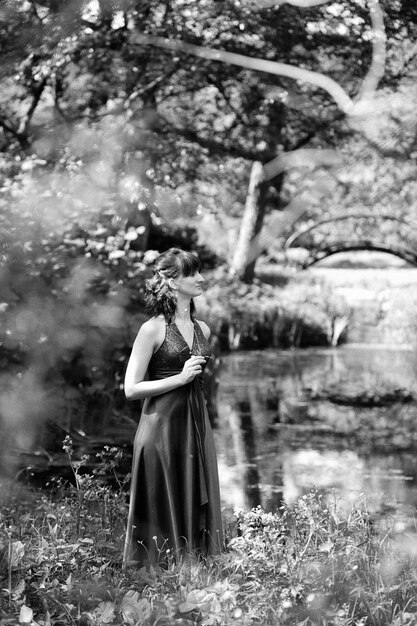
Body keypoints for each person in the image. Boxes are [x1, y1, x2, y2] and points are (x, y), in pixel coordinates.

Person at [123, 247, 223, 567]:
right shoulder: (151, 329)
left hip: (195, 426)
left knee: (193, 494)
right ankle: (153, 574)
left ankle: (190, 570)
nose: (201, 278)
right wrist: (179, 379)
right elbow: (131, 388)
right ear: (172, 282)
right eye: (192, 273)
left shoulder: (203, 329)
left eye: (199, 271)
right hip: (160, 429)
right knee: (161, 499)